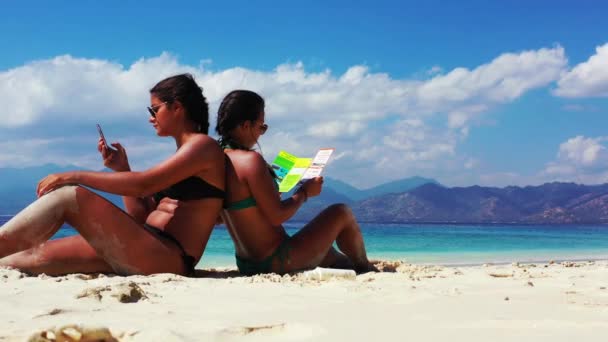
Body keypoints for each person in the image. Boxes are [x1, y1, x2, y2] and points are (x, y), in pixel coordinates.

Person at [0, 73, 225, 276]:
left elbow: (143, 184)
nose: (151, 117)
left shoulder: (203, 146)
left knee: (68, 196)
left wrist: (72, 175)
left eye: (154, 109)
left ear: (177, 107)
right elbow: (140, 215)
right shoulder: (185, 155)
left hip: (167, 256)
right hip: (144, 244)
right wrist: (121, 169)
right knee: (24, 258)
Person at [216, 90, 376, 276]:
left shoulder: (216, 159)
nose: (261, 134)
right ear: (245, 125)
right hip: (278, 260)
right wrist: (305, 192)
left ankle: (355, 266)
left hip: (247, 263)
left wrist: (267, 196)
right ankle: (364, 267)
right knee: (341, 212)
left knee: (331, 255)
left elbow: (220, 217)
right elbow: (277, 216)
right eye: (261, 127)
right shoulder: (250, 161)